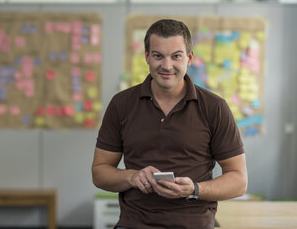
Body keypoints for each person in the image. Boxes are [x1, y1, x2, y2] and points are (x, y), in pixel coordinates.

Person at [91, 19, 247, 229]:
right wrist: (132, 177)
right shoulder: (121, 104)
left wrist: (194, 189)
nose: (167, 66)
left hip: (195, 224)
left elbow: (239, 181)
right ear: (146, 56)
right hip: (134, 223)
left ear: (189, 58)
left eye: (176, 56)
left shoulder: (214, 107)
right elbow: (100, 172)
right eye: (158, 56)